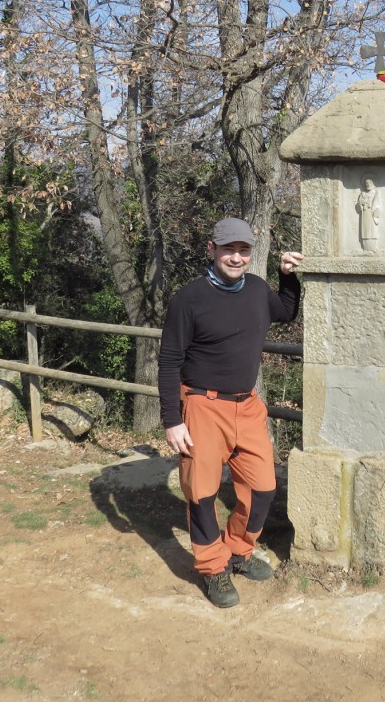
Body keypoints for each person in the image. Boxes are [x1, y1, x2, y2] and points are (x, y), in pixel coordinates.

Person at [158, 217, 304, 608]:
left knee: (262, 488)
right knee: (202, 494)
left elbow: (286, 312)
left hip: (247, 405)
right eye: (228, 249)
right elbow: (170, 360)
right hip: (202, 406)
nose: (236, 258)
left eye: (243, 251)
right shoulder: (188, 300)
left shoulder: (256, 289)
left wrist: (286, 275)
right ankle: (213, 569)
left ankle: (238, 552)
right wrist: (172, 419)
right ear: (211, 249)